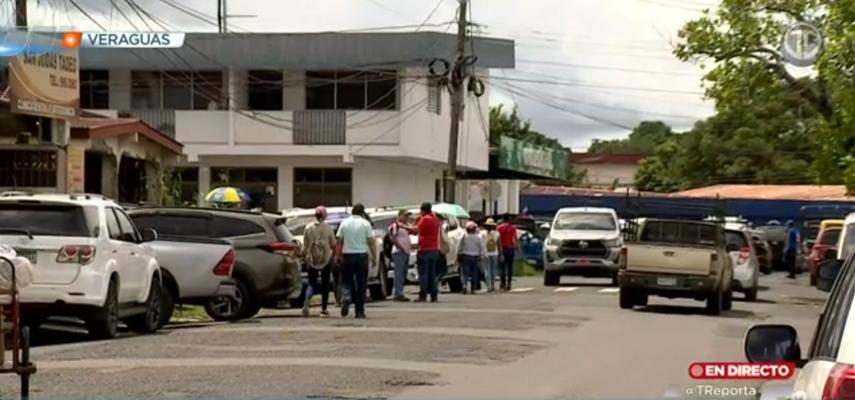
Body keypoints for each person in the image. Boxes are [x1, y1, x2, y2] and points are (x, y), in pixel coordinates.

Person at [335, 203, 376, 318]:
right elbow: (371, 241)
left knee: (346, 280)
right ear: (362, 212)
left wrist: (337, 255)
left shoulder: (344, 223)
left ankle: (347, 296)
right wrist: (374, 256)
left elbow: (339, 241)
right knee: (361, 284)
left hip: (348, 256)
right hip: (362, 256)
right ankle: (360, 311)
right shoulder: (365, 223)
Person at [400, 202, 441, 302]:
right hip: (434, 249)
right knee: (432, 273)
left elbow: (415, 230)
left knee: (423, 274)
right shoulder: (436, 219)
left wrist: (403, 226)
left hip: (424, 249)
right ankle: (434, 295)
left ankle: (423, 295)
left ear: (423, 210)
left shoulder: (425, 219)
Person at [301, 206, 337, 318]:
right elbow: (333, 244)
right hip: (325, 259)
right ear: (324, 216)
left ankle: (307, 302)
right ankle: (324, 309)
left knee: (311, 283)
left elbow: (305, 246)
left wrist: (304, 256)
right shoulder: (328, 228)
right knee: (325, 284)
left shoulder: (308, 228)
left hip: (312, 259)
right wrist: (335, 256)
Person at [388, 209, 412, 302]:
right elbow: (392, 237)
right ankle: (398, 293)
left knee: (403, 273)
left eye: (407, 216)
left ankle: (400, 291)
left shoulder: (406, 226)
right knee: (398, 273)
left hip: (406, 252)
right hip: (399, 252)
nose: (407, 218)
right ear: (400, 216)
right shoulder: (395, 225)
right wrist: (400, 247)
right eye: (405, 216)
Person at [458, 221, 487, 294]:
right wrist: (485, 255)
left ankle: (464, 286)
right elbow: (482, 247)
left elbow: (459, 246)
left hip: (465, 256)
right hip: (475, 257)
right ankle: (473, 288)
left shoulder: (464, 236)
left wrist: (458, 254)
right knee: (474, 273)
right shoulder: (478, 237)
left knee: (465, 273)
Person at [496, 214, 521, 291]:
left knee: (502, 267)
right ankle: (509, 283)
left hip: (502, 248)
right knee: (510, 267)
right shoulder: (512, 228)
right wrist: (518, 250)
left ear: (503, 219)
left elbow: (498, 239)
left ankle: (503, 283)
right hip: (511, 248)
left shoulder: (499, 228)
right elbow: (516, 239)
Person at [480, 218, 500, 292]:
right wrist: (501, 254)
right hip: (495, 253)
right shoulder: (497, 233)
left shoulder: (482, 233)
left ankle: (489, 285)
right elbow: (499, 244)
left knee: (487, 270)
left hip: (485, 254)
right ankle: (493, 285)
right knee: (493, 270)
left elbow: (480, 244)